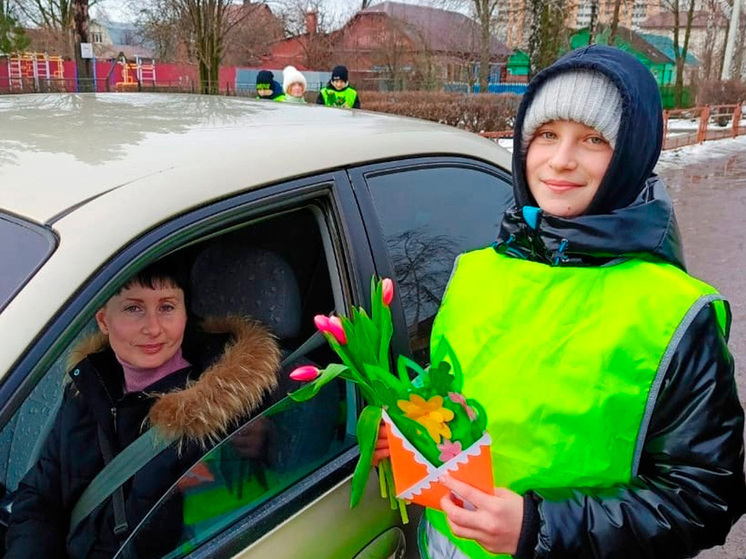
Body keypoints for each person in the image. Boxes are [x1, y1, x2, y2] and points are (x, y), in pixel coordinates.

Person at [376, 45, 746, 558]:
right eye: (547, 134)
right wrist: (408, 425)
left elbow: (705, 496)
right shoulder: (476, 271)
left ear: (633, 154)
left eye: (593, 139)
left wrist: (539, 527)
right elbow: (453, 390)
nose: (561, 160)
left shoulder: (676, 313)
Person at [5, 256, 281, 558]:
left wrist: (259, 446)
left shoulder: (218, 413)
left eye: (167, 307)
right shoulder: (86, 387)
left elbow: (204, 534)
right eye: (133, 308)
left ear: (185, 314)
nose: (153, 328)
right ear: (103, 321)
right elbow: (40, 497)